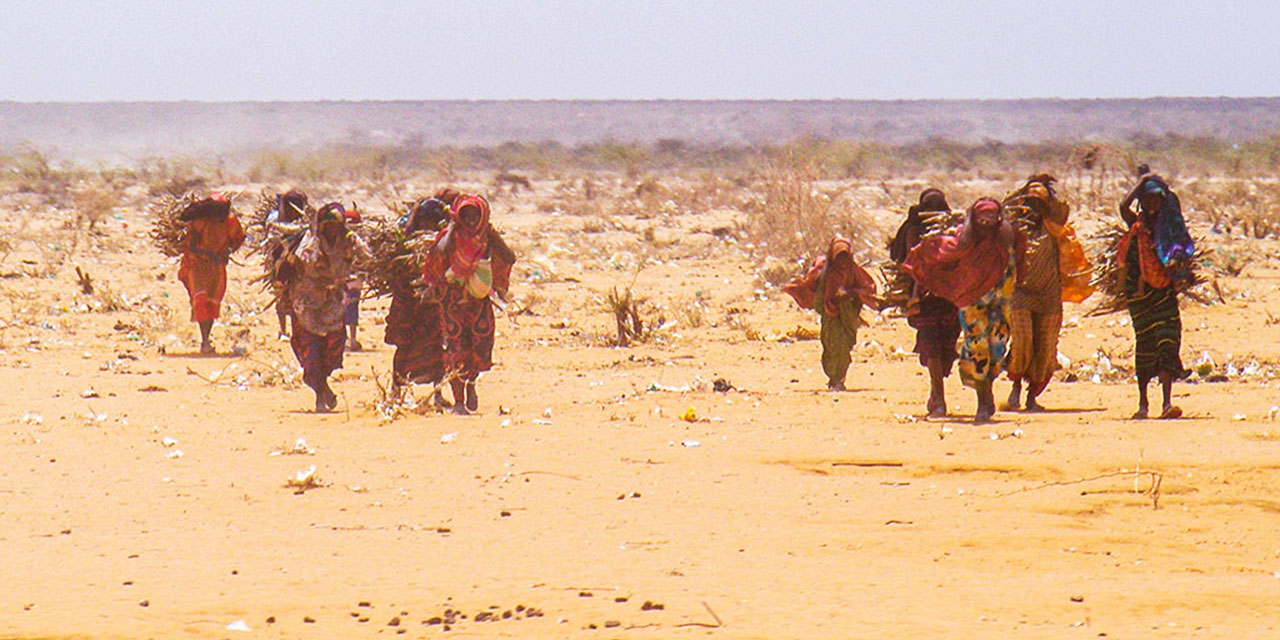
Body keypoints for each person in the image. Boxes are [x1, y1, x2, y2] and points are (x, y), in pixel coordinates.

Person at [904, 198, 1022, 423]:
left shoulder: (1007, 241)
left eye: (991, 218)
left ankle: (987, 392)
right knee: (978, 350)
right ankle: (981, 400)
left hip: (1000, 306)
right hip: (972, 305)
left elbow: (1020, 268)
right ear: (974, 219)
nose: (986, 222)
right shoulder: (963, 242)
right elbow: (941, 251)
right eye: (981, 218)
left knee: (996, 351)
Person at [1002, 176, 1093, 411]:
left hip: (1049, 294)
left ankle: (1032, 397)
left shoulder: (1053, 228)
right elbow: (1002, 208)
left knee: (1045, 347)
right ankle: (1015, 390)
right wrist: (1024, 191)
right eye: (1029, 202)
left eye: (1038, 203)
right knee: (1022, 341)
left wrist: (1046, 197)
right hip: (1020, 293)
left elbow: (1063, 208)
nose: (1033, 208)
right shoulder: (1014, 229)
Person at [422, 194, 515, 415]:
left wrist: (492, 236)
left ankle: (471, 384)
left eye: (475, 214)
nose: (471, 219)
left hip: (478, 302)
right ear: (459, 216)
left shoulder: (486, 236)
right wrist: (453, 228)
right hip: (452, 302)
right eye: (466, 214)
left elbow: (509, 257)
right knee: (455, 349)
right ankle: (459, 401)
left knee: (480, 347)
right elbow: (439, 253)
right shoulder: (450, 236)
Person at [1117, 174, 1194, 419]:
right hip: (1139, 297)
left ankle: (1167, 403)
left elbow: (1180, 251)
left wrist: (1164, 188)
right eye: (1147, 200)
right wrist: (1142, 181)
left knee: (1168, 343)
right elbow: (1122, 206)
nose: (1152, 204)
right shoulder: (1136, 225)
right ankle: (1142, 404)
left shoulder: (1170, 229)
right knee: (1145, 345)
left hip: (1163, 293)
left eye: (1156, 200)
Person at [282, 203, 370, 412]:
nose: (331, 230)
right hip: (307, 302)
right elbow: (307, 260)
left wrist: (354, 269)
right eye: (327, 225)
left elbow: (367, 257)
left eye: (335, 225)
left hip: (332, 302)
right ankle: (321, 394)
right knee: (311, 349)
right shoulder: (311, 241)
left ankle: (323, 386)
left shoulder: (349, 240)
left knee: (333, 345)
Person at [889, 188, 960, 416]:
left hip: (949, 297)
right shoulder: (913, 229)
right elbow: (903, 257)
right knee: (932, 345)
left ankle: (936, 391)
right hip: (924, 298)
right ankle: (938, 395)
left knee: (946, 346)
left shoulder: (954, 230)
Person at [783, 236, 878, 390]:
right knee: (830, 344)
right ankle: (832, 377)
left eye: (844, 257)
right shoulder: (824, 271)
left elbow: (867, 287)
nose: (842, 261)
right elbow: (812, 288)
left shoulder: (853, 270)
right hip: (830, 315)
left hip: (847, 315)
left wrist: (851, 293)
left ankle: (839, 378)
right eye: (839, 257)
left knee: (843, 345)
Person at [385, 197, 452, 405]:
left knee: (437, 347)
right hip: (407, 303)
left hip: (432, 303)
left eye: (432, 221)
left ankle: (438, 394)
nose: (427, 226)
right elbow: (395, 271)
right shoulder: (404, 243)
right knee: (403, 347)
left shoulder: (444, 242)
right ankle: (395, 391)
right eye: (423, 220)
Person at [177, 193, 246, 354]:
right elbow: (191, 246)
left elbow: (237, 240)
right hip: (198, 266)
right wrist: (209, 254)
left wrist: (227, 252)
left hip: (217, 267)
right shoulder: (199, 223)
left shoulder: (230, 222)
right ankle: (205, 340)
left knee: (213, 302)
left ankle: (207, 337)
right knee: (201, 300)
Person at [265, 189, 310, 338]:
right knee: (283, 297)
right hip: (283, 265)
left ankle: (294, 329)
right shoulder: (277, 222)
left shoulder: (306, 225)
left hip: (298, 267)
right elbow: (272, 242)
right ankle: (285, 330)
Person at [339, 203, 365, 351]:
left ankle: (346, 339)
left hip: (343, 279)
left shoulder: (340, 239)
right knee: (352, 308)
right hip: (354, 280)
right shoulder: (360, 240)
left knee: (342, 309)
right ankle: (352, 339)